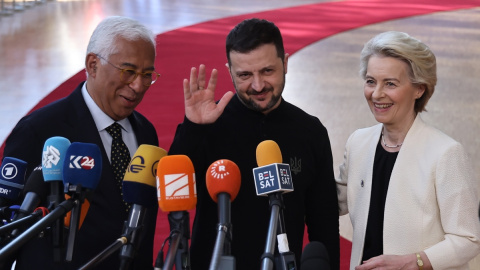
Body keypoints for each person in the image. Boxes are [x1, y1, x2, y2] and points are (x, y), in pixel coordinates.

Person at [169, 18, 340, 269]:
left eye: (267, 71)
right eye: (245, 75)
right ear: (229, 72)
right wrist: (193, 128)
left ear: (285, 63)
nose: (258, 85)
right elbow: (175, 192)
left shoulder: (310, 132)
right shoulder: (207, 124)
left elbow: (323, 224)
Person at [2, 16, 159, 269]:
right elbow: (9, 223)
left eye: (148, 75)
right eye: (128, 71)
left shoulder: (146, 132)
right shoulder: (39, 130)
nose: (139, 85)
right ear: (93, 65)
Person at [336, 31, 480, 270]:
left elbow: (468, 239)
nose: (377, 94)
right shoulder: (357, 143)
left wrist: (415, 261)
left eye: (390, 83)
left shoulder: (446, 153)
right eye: (371, 81)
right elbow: (337, 199)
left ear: (419, 89)